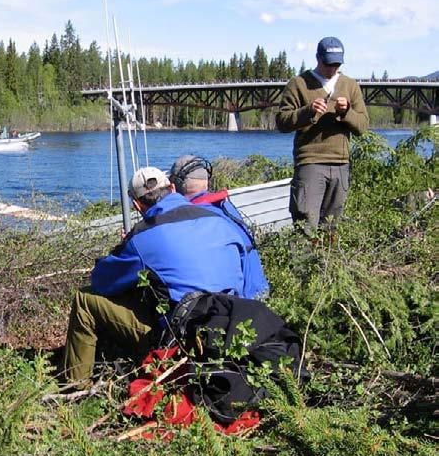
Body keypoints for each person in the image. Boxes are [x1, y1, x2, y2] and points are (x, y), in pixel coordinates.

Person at [62, 167, 247, 384]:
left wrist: (124, 247)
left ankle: (75, 387)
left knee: (85, 300)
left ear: (137, 205)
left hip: (182, 339)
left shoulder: (143, 236)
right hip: (235, 326)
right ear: (172, 188)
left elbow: (102, 282)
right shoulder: (220, 221)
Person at [276, 36, 369, 232]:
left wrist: (346, 113)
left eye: (337, 64)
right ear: (318, 58)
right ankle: (303, 263)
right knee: (305, 225)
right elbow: (282, 122)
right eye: (328, 63)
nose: (332, 68)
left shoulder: (350, 85)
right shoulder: (299, 84)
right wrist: (307, 111)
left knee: (332, 228)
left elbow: (362, 127)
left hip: (341, 165)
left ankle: (328, 263)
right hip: (309, 163)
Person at [169, 154, 269, 299]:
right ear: (206, 182)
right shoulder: (224, 206)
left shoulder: (196, 218)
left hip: (240, 303)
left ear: (175, 185)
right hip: (259, 291)